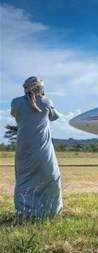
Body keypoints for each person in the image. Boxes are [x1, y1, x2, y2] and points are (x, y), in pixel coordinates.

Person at [11, 76, 63, 219]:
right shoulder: (46, 102)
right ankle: (50, 212)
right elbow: (54, 117)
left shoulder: (15, 102)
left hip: (22, 147)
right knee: (51, 177)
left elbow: (16, 116)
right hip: (42, 147)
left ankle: (23, 213)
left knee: (24, 178)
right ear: (40, 88)